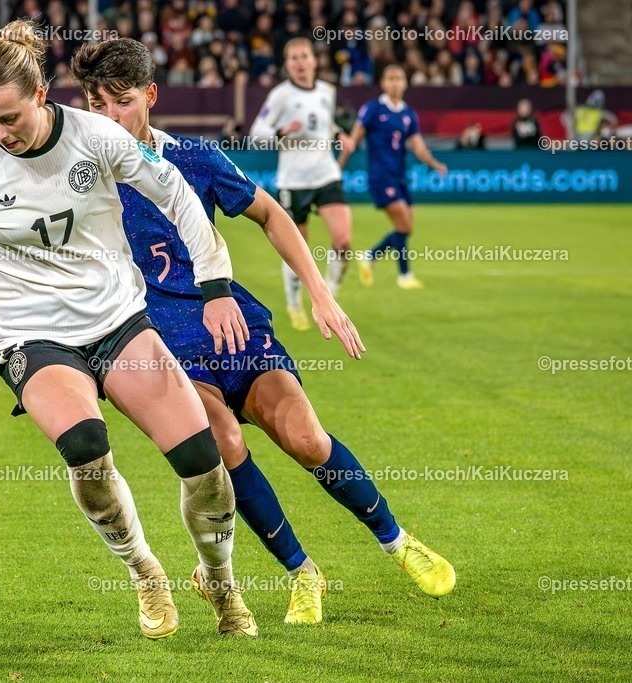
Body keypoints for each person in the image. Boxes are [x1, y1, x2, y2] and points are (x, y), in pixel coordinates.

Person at [71, 38, 456, 626]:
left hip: (229, 320)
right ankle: (302, 573)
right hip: (158, 341)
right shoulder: (80, 177)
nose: (108, 117)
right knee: (225, 442)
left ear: (150, 96)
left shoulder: (192, 159)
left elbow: (272, 213)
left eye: (121, 102)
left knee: (306, 438)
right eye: (96, 105)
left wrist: (321, 293)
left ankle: (397, 541)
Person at [0, 20, 256, 639]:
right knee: (87, 449)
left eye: (8, 118)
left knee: (202, 460)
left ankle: (220, 581)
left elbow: (177, 195)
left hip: (116, 319)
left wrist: (216, 285)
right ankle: (144, 571)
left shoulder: (98, 137)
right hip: (28, 333)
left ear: (40, 95)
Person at [249, 38, 355, 332]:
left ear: (314, 60)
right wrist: (282, 132)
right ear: (287, 65)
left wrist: (339, 135)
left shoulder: (327, 91)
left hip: (326, 174)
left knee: (343, 241)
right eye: (293, 57)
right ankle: (294, 301)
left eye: (304, 56)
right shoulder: (280, 96)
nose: (299, 62)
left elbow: (325, 123)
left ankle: (330, 293)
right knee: (299, 249)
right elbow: (257, 134)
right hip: (293, 181)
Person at [340, 64, 447, 290]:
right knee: (403, 224)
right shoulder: (373, 108)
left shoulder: (408, 114)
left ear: (405, 83)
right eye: (391, 78)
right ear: (383, 83)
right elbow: (353, 141)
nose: (395, 82)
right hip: (381, 176)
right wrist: (338, 167)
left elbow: (418, 147)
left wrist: (434, 163)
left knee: (406, 228)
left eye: (399, 78)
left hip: (400, 176)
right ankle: (404, 275)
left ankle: (370, 256)